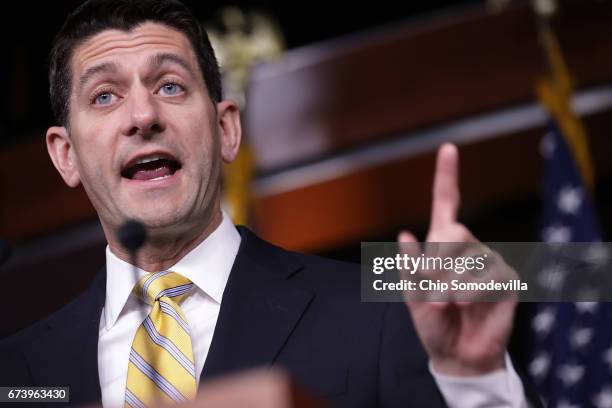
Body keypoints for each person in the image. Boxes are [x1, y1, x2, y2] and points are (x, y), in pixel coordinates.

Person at [0, 0, 538, 407]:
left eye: (169, 86)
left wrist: (475, 379)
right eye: (104, 96)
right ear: (64, 155)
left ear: (227, 129)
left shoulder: (384, 314)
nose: (142, 115)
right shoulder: (15, 374)